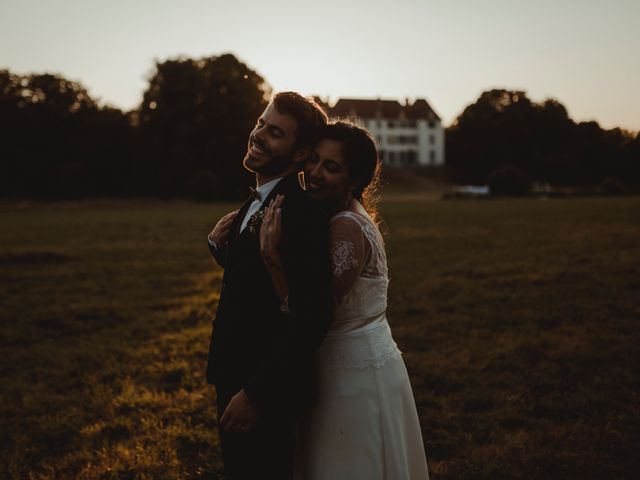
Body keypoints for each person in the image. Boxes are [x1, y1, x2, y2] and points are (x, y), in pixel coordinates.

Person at [259, 121, 430, 479]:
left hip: (352, 378)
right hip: (365, 361)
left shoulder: (346, 227)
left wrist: (273, 262)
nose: (315, 173)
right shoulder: (342, 215)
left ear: (354, 180)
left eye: (332, 167)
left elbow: (311, 309)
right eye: (314, 160)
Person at [206, 92, 333, 480]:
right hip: (235, 375)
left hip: (262, 391)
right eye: (261, 123)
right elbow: (256, 281)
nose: (258, 134)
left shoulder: (299, 212)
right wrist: (216, 246)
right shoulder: (257, 200)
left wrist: (256, 395)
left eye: (274, 132)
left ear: (299, 154)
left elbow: (311, 317)